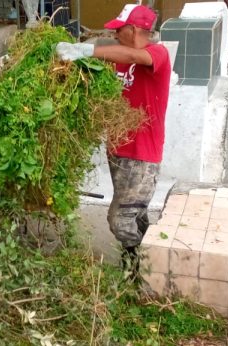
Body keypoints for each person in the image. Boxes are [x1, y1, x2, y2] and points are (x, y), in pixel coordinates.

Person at [55, 4, 171, 277]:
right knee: (134, 214)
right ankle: (147, 267)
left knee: (119, 219)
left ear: (134, 30)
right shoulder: (118, 58)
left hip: (142, 155)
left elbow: (135, 56)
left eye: (119, 30)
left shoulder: (158, 53)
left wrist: (87, 49)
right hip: (118, 151)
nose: (115, 34)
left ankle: (134, 274)